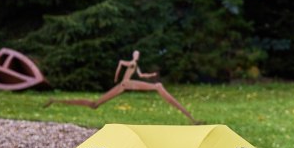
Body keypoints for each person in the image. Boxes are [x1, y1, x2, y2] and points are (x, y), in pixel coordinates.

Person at [45, 51, 197, 123]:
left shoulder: (135, 64)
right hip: (126, 84)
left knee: (94, 104)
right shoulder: (131, 62)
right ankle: (191, 118)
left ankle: (55, 100)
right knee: (158, 87)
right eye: (135, 55)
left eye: (138, 55)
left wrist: (149, 75)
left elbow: (141, 74)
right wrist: (116, 76)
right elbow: (120, 63)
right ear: (133, 56)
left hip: (124, 85)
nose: (137, 57)